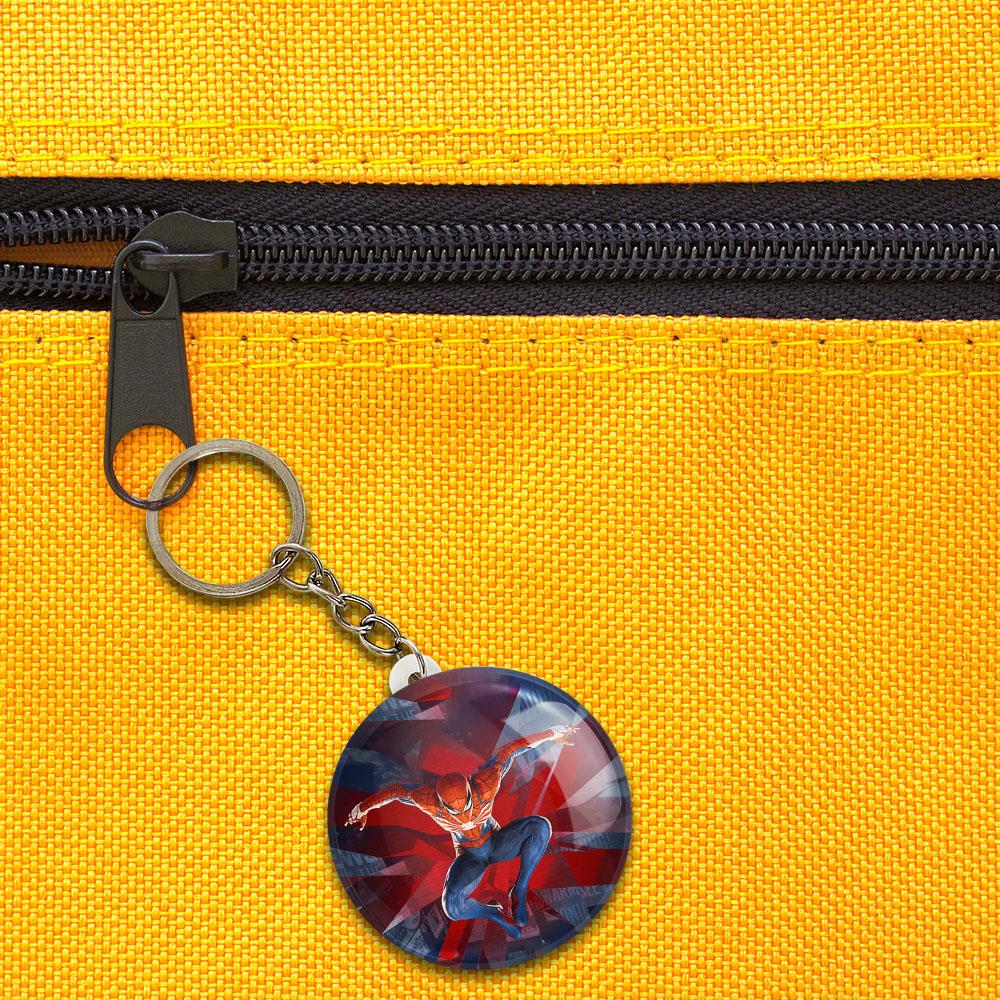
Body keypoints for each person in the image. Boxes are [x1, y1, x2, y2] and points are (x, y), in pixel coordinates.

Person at [346, 723, 580, 934]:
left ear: (470, 788)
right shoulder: (426, 800)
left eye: (465, 806)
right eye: (453, 811)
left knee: (540, 826)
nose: (463, 816)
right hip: (470, 856)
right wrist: (361, 809)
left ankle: (519, 889)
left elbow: (510, 750)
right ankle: (494, 914)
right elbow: (395, 791)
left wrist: (553, 732)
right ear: (440, 802)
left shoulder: (486, 783)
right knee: (452, 907)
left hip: (496, 841)